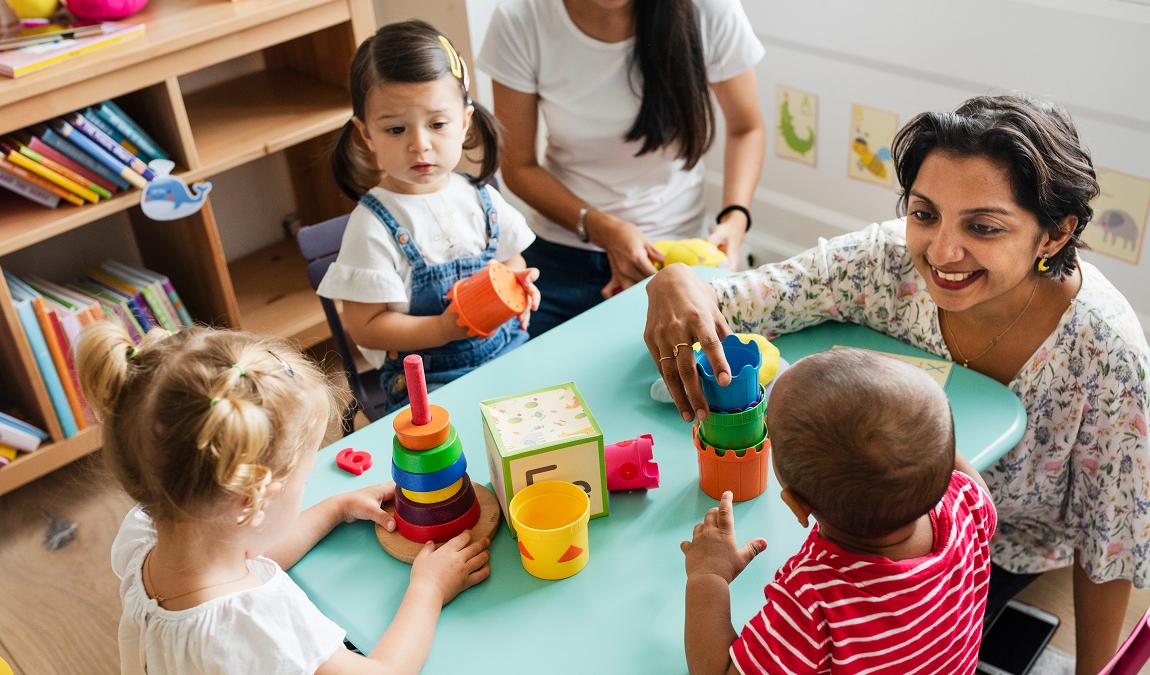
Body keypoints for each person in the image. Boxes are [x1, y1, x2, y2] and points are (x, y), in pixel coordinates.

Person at [646, 93, 1150, 673]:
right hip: (883, 519)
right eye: (924, 213)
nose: (941, 252)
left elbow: (1110, 539)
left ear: (1054, 235)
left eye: (983, 226)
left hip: (1002, 550)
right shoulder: (884, 262)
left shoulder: (1107, 350)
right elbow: (744, 301)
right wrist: (678, 281)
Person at [77, 322, 492, 674]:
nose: (308, 487)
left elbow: (249, 558)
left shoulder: (149, 537)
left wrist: (335, 508)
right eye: (305, 478)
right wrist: (429, 588)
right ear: (253, 501)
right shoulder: (259, 626)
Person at [683, 349, 997, 674]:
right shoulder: (967, 504)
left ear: (797, 505)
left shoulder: (812, 604)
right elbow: (950, 463)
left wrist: (709, 576)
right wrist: (915, 432)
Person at [477, 0, 767, 336]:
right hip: (563, 251)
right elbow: (518, 166)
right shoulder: (522, 17)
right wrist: (602, 228)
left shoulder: (709, 10)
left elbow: (747, 128)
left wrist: (735, 217)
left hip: (675, 255)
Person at [321, 20, 540, 411]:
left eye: (437, 124)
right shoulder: (373, 225)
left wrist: (516, 283)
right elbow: (365, 327)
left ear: (464, 122)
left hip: (509, 350)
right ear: (366, 134)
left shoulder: (480, 197)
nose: (419, 145)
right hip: (431, 383)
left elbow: (509, 258)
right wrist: (442, 329)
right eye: (395, 129)